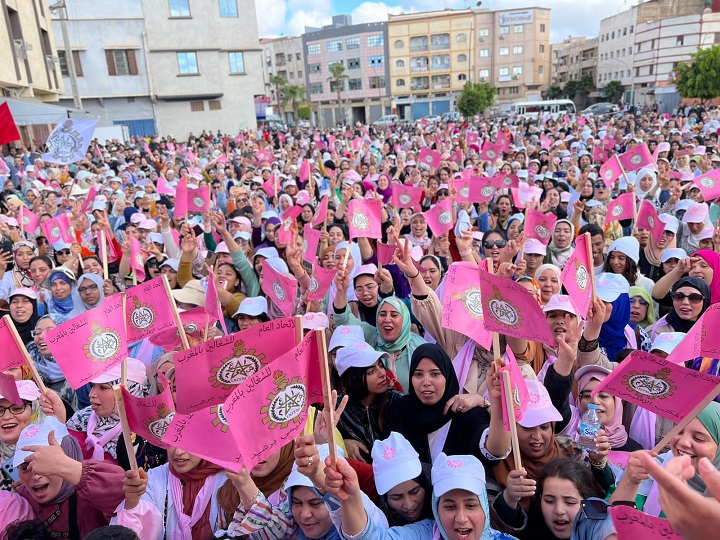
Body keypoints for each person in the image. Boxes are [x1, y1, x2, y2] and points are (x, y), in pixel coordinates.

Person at [324, 451, 518, 539]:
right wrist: (349, 497)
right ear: (436, 507)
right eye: (449, 506)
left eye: (470, 505)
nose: (461, 518)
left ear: (484, 505)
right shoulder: (424, 534)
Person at [386, 343, 498, 465]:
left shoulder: (466, 414)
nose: (426, 382)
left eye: (435, 374)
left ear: (447, 376)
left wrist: (490, 402)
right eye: (418, 374)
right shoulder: (400, 410)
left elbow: (495, 450)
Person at [13, 417, 126, 537]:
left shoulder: (93, 484)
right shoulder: (22, 501)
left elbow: (126, 496)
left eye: (48, 463)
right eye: (25, 467)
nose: (36, 474)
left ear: (69, 456)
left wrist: (71, 470)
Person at [610, 402, 720, 517]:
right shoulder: (654, 468)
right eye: (678, 431)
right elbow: (615, 518)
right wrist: (630, 481)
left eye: (699, 438)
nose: (682, 442)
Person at [113, 446, 231, 539]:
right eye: (172, 441)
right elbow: (132, 534)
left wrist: (246, 487)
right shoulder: (154, 478)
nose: (178, 452)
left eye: (188, 442)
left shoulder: (229, 478)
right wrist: (132, 502)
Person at [491, 459, 616, 540]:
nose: (559, 510)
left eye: (570, 502)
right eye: (549, 501)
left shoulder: (602, 532)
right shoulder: (533, 529)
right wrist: (509, 497)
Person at [66, 359, 147, 464]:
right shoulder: (80, 420)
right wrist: (58, 419)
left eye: (103, 387)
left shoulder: (147, 430)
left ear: (130, 392)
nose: (92, 394)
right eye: (92, 386)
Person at [335, 344, 402, 463]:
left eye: (381, 365)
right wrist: (341, 443)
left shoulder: (397, 401)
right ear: (353, 378)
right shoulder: (338, 408)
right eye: (371, 372)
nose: (382, 373)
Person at [371, 432, 434, 525]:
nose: (409, 505)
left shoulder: (442, 489)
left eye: (415, 492)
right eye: (396, 497)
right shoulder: (376, 513)